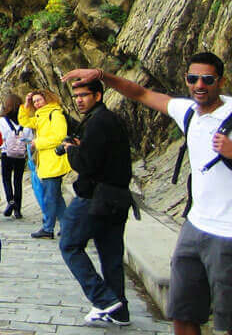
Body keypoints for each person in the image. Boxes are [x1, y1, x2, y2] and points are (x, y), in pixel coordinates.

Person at [65, 53, 232, 335]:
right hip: (194, 227)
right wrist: (102, 75)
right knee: (182, 312)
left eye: (208, 79)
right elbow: (140, 93)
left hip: (227, 234)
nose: (199, 85)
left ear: (221, 81)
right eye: (193, 79)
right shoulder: (188, 111)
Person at [54, 78, 134, 326]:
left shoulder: (98, 122)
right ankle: (119, 310)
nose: (79, 100)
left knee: (69, 244)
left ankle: (103, 299)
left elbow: (86, 165)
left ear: (98, 95)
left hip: (94, 197)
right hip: (118, 196)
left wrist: (70, 150)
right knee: (111, 255)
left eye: (84, 95)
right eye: (76, 96)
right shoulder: (110, 120)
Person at [19, 89, 71, 238]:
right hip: (47, 162)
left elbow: (59, 136)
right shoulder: (40, 116)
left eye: (39, 100)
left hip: (54, 161)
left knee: (49, 196)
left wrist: (38, 143)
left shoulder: (55, 114)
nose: (37, 104)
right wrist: (26, 104)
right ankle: (67, 226)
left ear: (47, 99)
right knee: (55, 196)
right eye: (34, 102)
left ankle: (48, 228)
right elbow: (25, 121)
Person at [0, 93, 27, 219]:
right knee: (18, 180)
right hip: (20, 154)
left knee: (6, 178)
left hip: (6, 153)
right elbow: (28, 137)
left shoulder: (3, 120)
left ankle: (10, 201)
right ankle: (18, 210)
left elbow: (2, 137)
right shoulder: (25, 120)